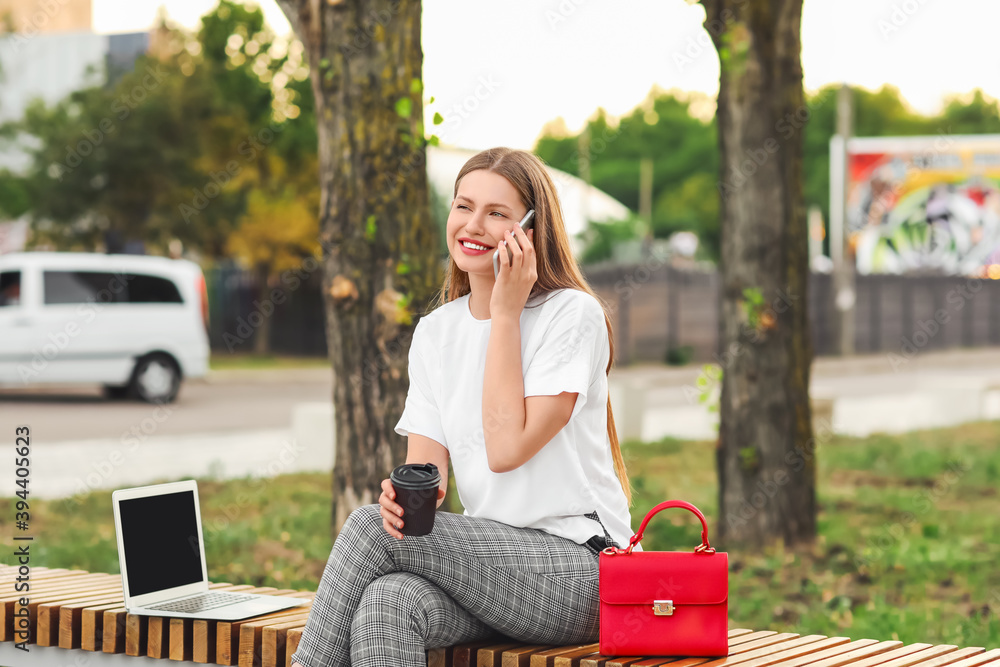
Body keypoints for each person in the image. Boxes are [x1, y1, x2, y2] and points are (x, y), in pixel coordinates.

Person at [289, 147, 638, 667]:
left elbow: (506, 448)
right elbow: (428, 474)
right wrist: (403, 499)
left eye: (497, 213)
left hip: (584, 572)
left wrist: (505, 313)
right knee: (388, 604)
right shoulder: (436, 332)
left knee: (364, 533)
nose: (472, 225)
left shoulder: (572, 315)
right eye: (462, 206)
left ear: (531, 229)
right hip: (491, 566)